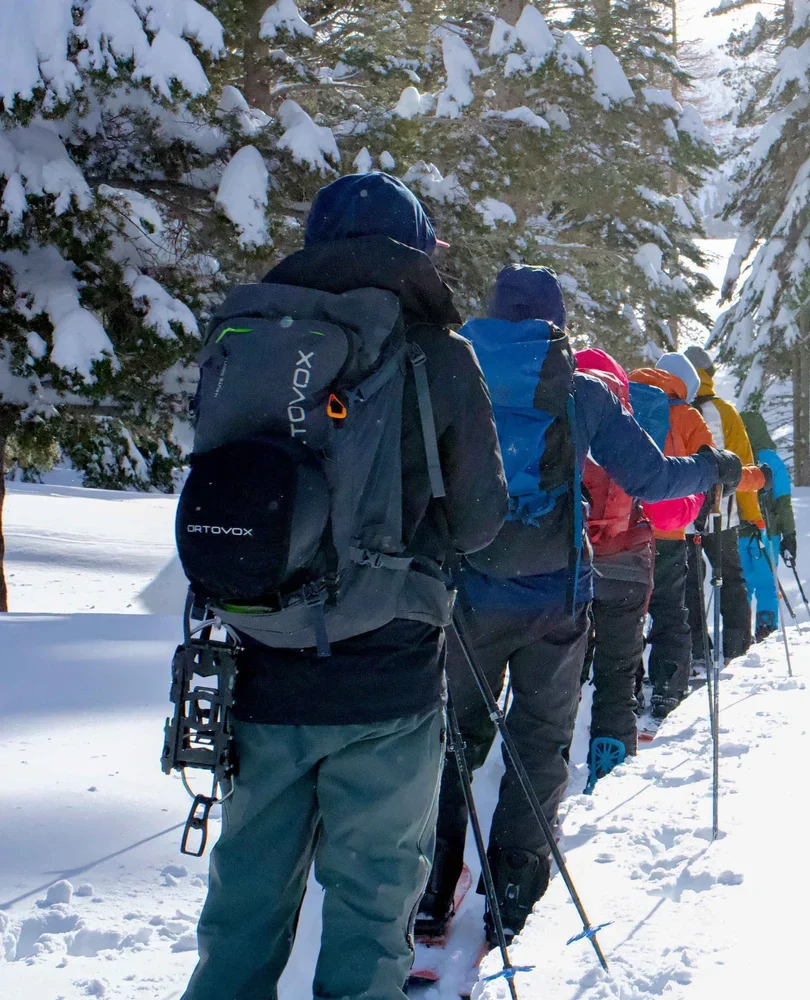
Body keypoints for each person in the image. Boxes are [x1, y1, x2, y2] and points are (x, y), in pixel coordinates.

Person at [182, 173, 507, 1000]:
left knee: (243, 913)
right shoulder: (440, 355)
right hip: (386, 681)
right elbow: (478, 521)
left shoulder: (253, 337)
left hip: (261, 667)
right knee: (369, 919)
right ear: (417, 247)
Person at [419, 266, 742, 944]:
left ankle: (428, 890)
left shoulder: (449, 371)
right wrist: (713, 469)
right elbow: (651, 478)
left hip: (467, 593)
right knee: (539, 743)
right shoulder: (582, 389)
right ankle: (512, 898)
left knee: (452, 739)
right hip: (553, 597)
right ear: (554, 322)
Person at [575, 347, 703, 785]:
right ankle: (612, 760)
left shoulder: (552, 408)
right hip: (630, 554)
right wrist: (698, 498)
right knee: (623, 662)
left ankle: (546, 764)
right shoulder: (632, 412)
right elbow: (662, 498)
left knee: (558, 670)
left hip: (561, 559)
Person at [629, 353, 716, 720]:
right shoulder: (688, 415)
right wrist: (704, 509)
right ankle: (668, 687)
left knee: (627, 611)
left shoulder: (624, 401)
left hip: (626, 527)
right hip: (669, 528)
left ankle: (627, 689)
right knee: (669, 610)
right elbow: (710, 466)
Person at [682, 344, 765, 662]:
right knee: (730, 576)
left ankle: (696, 646)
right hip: (722, 514)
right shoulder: (725, 412)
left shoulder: (671, 408)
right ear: (709, 375)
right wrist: (753, 514)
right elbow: (743, 467)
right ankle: (738, 644)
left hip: (681, 516)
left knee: (689, 581)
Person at [739, 410, 798, 640]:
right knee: (766, 584)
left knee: (741, 586)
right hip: (766, 533)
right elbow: (783, 503)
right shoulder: (772, 461)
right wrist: (790, 535)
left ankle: (739, 632)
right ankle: (765, 628)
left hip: (737, 533)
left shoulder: (736, 458)